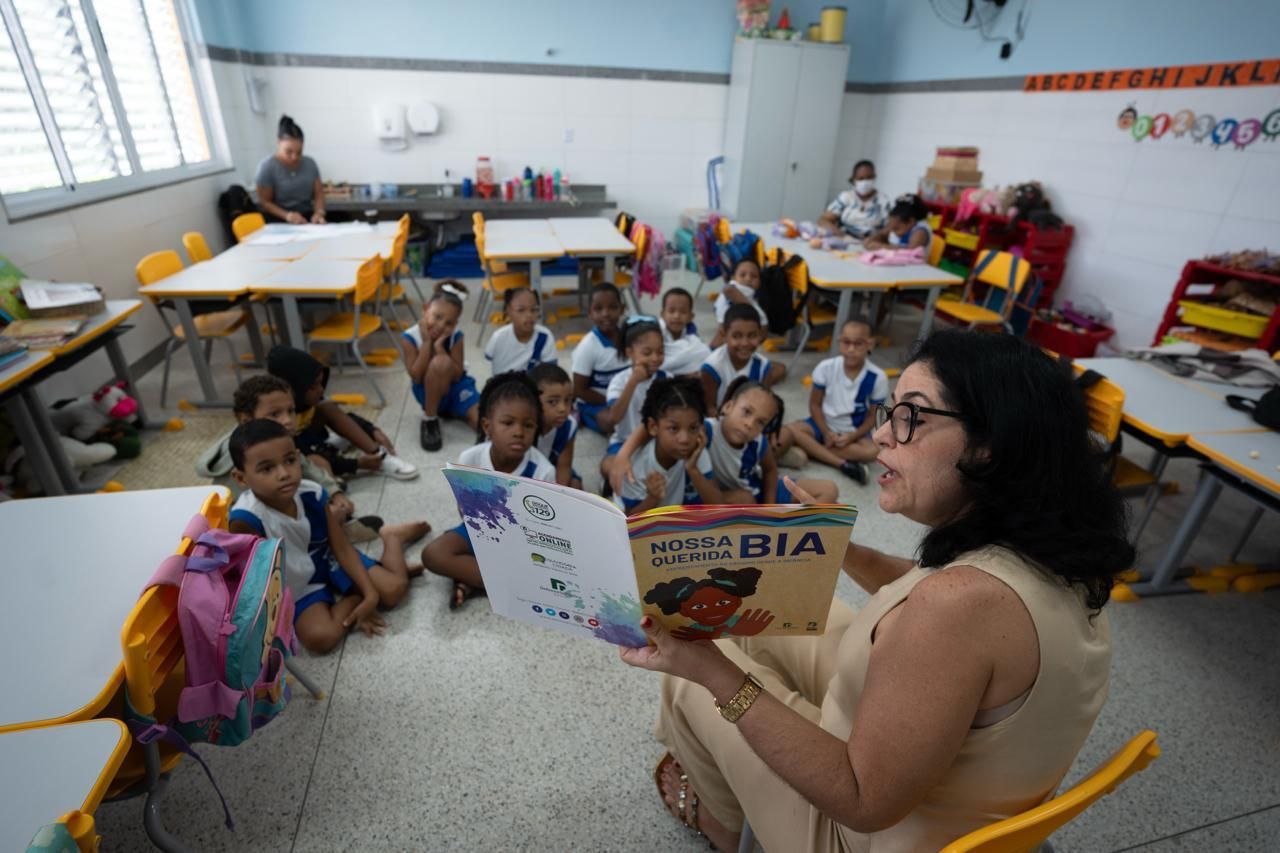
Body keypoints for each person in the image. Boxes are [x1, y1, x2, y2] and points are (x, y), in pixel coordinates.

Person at [619, 330, 1134, 852]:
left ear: (990, 445)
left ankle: (722, 825)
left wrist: (714, 673)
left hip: (860, 832)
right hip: (948, 783)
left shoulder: (956, 607)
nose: (884, 434)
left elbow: (862, 800)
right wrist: (831, 547)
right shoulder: (1056, 555)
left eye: (911, 416)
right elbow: (923, 589)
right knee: (764, 622)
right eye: (889, 411)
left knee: (691, 677)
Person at [228, 419, 416, 654]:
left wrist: (370, 593)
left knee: (393, 590)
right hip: (294, 582)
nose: (284, 474)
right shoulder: (245, 519)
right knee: (320, 638)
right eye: (267, 468)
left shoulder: (312, 492)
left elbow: (342, 547)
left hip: (324, 556)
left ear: (298, 456)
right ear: (241, 478)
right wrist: (365, 598)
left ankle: (392, 538)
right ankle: (354, 597)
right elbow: (259, 583)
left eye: (289, 460)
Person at [196, 374, 427, 545]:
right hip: (259, 533)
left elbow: (306, 466)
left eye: (291, 411)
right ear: (246, 420)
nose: (287, 421)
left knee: (314, 483)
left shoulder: (273, 440)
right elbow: (252, 517)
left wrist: (334, 492)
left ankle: (331, 529)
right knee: (316, 507)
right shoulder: (241, 456)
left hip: (279, 512)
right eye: (275, 414)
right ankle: (332, 534)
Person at [423, 372, 557, 609]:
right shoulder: (470, 458)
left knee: (540, 568)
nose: (519, 432)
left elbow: (540, 530)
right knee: (433, 554)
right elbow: (464, 512)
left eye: (528, 425)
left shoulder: (543, 470)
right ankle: (491, 581)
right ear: (487, 426)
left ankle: (471, 580)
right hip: (479, 530)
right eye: (508, 423)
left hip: (521, 543)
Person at [611, 377, 838, 506]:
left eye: (760, 422)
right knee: (745, 499)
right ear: (728, 406)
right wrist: (623, 455)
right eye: (746, 412)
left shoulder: (757, 441)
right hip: (731, 496)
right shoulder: (704, 429)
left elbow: (769, 470)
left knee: (830, 491)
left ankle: (791, 526)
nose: (750, 424)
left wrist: (771, 509)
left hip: (755, 489)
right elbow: (661, 423)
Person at [266, 346, 418, 480]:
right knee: (320, 463)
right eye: (314, 386)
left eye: (321, 382)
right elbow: (305, 458)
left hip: (309, 438)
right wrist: (357, 464)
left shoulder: (308, 399)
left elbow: (344, 417)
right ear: (295, 389)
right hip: (302, 453)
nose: (321, 389)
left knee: (329, 407)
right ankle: (336, 450)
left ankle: (379, 456)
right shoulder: (281, 421)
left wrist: (372, 430)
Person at [777, 318, 887, 485]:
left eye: (858, 344)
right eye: (846, 342)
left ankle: (811, 450)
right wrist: (826, 432)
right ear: (839, 342)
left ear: (870, 344)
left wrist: (851, 436)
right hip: (822, 425)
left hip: (853, 432)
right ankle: (842, 464)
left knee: (873, 451)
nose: (851, 349)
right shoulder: (826, 367)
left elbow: (873, 417)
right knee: (789, 430)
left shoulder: (878, 377)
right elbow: (814, 405)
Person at [615, 376, 721, 514]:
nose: (685, 439)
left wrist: (693, 469)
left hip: (678, 514)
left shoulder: (696, 451)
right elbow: (628, 522)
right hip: (650, 523)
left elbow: (719, 507)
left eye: (693, 428)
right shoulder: (637, 465)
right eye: (674, 429)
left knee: (741, 498)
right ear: (653, 426)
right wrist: (652, 499)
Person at [401, 280, 479, 451]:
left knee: (483, 422)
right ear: (425, 308)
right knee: (440, 363)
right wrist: (428, 343)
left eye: (449, 323)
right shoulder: (410, 337)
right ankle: (430, 419)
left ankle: (489, 447)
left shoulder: (456, 336)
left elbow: (458, 375)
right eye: (437, 317)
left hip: (457, 388)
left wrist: (440, 349)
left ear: (456, 324)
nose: (441, 326)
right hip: (428, 393)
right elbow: (416, 376)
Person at [599, 319, 666, 488]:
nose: (655, 358)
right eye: (647, 352)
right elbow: (614, 417)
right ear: (630, 352)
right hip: (623, 441)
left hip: (657, 444)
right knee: (608, 466)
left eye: (660, 352)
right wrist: (633, 382)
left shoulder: (667, 379)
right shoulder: (620, 380)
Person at [700, 303, 785, 411]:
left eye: (752, 335)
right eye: (736, 336)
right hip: (720, 420)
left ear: (760, 335)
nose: (745, 343)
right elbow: (709, 409)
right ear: (724, 334)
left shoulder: (763, 366)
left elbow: (763, 403)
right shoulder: (712, 367)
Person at [571, 283, 630, 434]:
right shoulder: (587, 347)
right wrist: (612, 402)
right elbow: (579, 390)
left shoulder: (630, 338)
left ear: (621, 309)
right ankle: (583, 415)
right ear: (590, 312)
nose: (606, 313)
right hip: (596, 402)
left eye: (613, 307)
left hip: (626, 398)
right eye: (598, 309)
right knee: (613, 423)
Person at [254, 115, 327, 224]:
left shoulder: (310, 163)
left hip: (306, 219)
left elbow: (318, 194)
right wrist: (287, 216)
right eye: (289, 152)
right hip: (279, 219)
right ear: (278, 142)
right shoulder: (267, 167)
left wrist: (319, 213)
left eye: (299, 152)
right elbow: (264, 202)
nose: (294, 157)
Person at [483, 287, 557, 375]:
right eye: (521, 310)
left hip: (532, 387)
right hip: (502, 386)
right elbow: (488, 358)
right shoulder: (498, 337)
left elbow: (550, 373)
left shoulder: (545, 336)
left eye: (534, 310)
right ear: (508, 311)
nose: (529, 315)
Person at [531, 363, 581, 489]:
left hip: (552, 467)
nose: (563, 409)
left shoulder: (569, 425)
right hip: (526, 473)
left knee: (575, 486)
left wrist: (558, 496)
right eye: (553, 402)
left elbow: (564, 466)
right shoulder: (524, 426)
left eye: (568, 400)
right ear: (533, 401)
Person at [819, 159, 889, 239]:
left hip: (868, 244)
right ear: (854, 179)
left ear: (874, 177)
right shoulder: (846, 197)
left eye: (869, 178)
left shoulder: (883, 200)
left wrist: (872, 241)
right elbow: (823, 220)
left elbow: (887, 230)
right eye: (861, 178)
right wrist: (841, 235)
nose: (865, 182)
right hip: (842, 240)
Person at [711, 258, 768, 348]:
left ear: (760, 281)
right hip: (728, 321)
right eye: (742, 275)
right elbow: (728, 290)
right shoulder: (735, 286)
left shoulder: (749, 293)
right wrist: (757, 316)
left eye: (754, 276)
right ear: (733, 277)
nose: (748, 279)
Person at [658, 288, 711, 377]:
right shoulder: (656, 333)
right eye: (671, 311)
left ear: (691, 316)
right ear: (662, 314)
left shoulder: (692, 336)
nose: (676, 316)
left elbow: (703, 353)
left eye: (683, 312)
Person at [863, 194, 932, 252]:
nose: (893, 231)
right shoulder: (896, 223)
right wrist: (870, 240)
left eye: (896, 228)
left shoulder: (920, 231)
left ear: (911, 222)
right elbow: (882, 234)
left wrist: (880, 246)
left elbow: (910, 252)